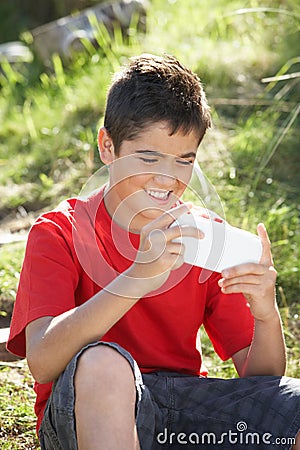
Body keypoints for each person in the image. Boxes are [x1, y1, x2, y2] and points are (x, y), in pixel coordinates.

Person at [7, 53, 300, 450]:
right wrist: (137, 277)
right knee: (104, 365)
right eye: (148, 157)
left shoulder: (203, 237)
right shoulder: (59, 232)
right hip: (86, 407)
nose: (167, 177)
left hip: (181, 411)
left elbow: (260, 382)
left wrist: (264, 313)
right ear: (107, 146)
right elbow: (41, 360)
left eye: (184, 160)